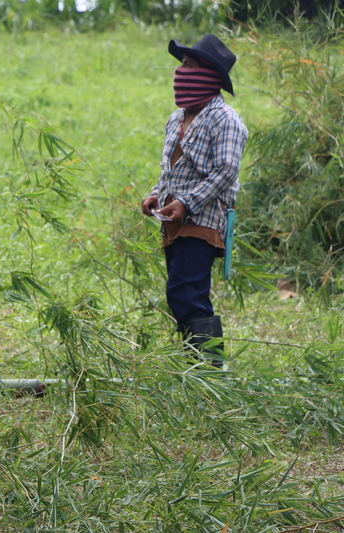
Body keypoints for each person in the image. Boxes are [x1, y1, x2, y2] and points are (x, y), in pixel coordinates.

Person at [141, 34, 248, 367]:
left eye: (189, 65)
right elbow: (171, 168)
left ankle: (211, 371)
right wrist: (157, 194)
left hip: (202, 220)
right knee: (183, 292)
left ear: (208, 74)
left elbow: (226, 171)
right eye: (181, 65)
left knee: (186, 292)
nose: (181, 71)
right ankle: (197, 366)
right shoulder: (177, 118)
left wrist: (187, 203)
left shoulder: (225, 120)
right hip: (174, 221)